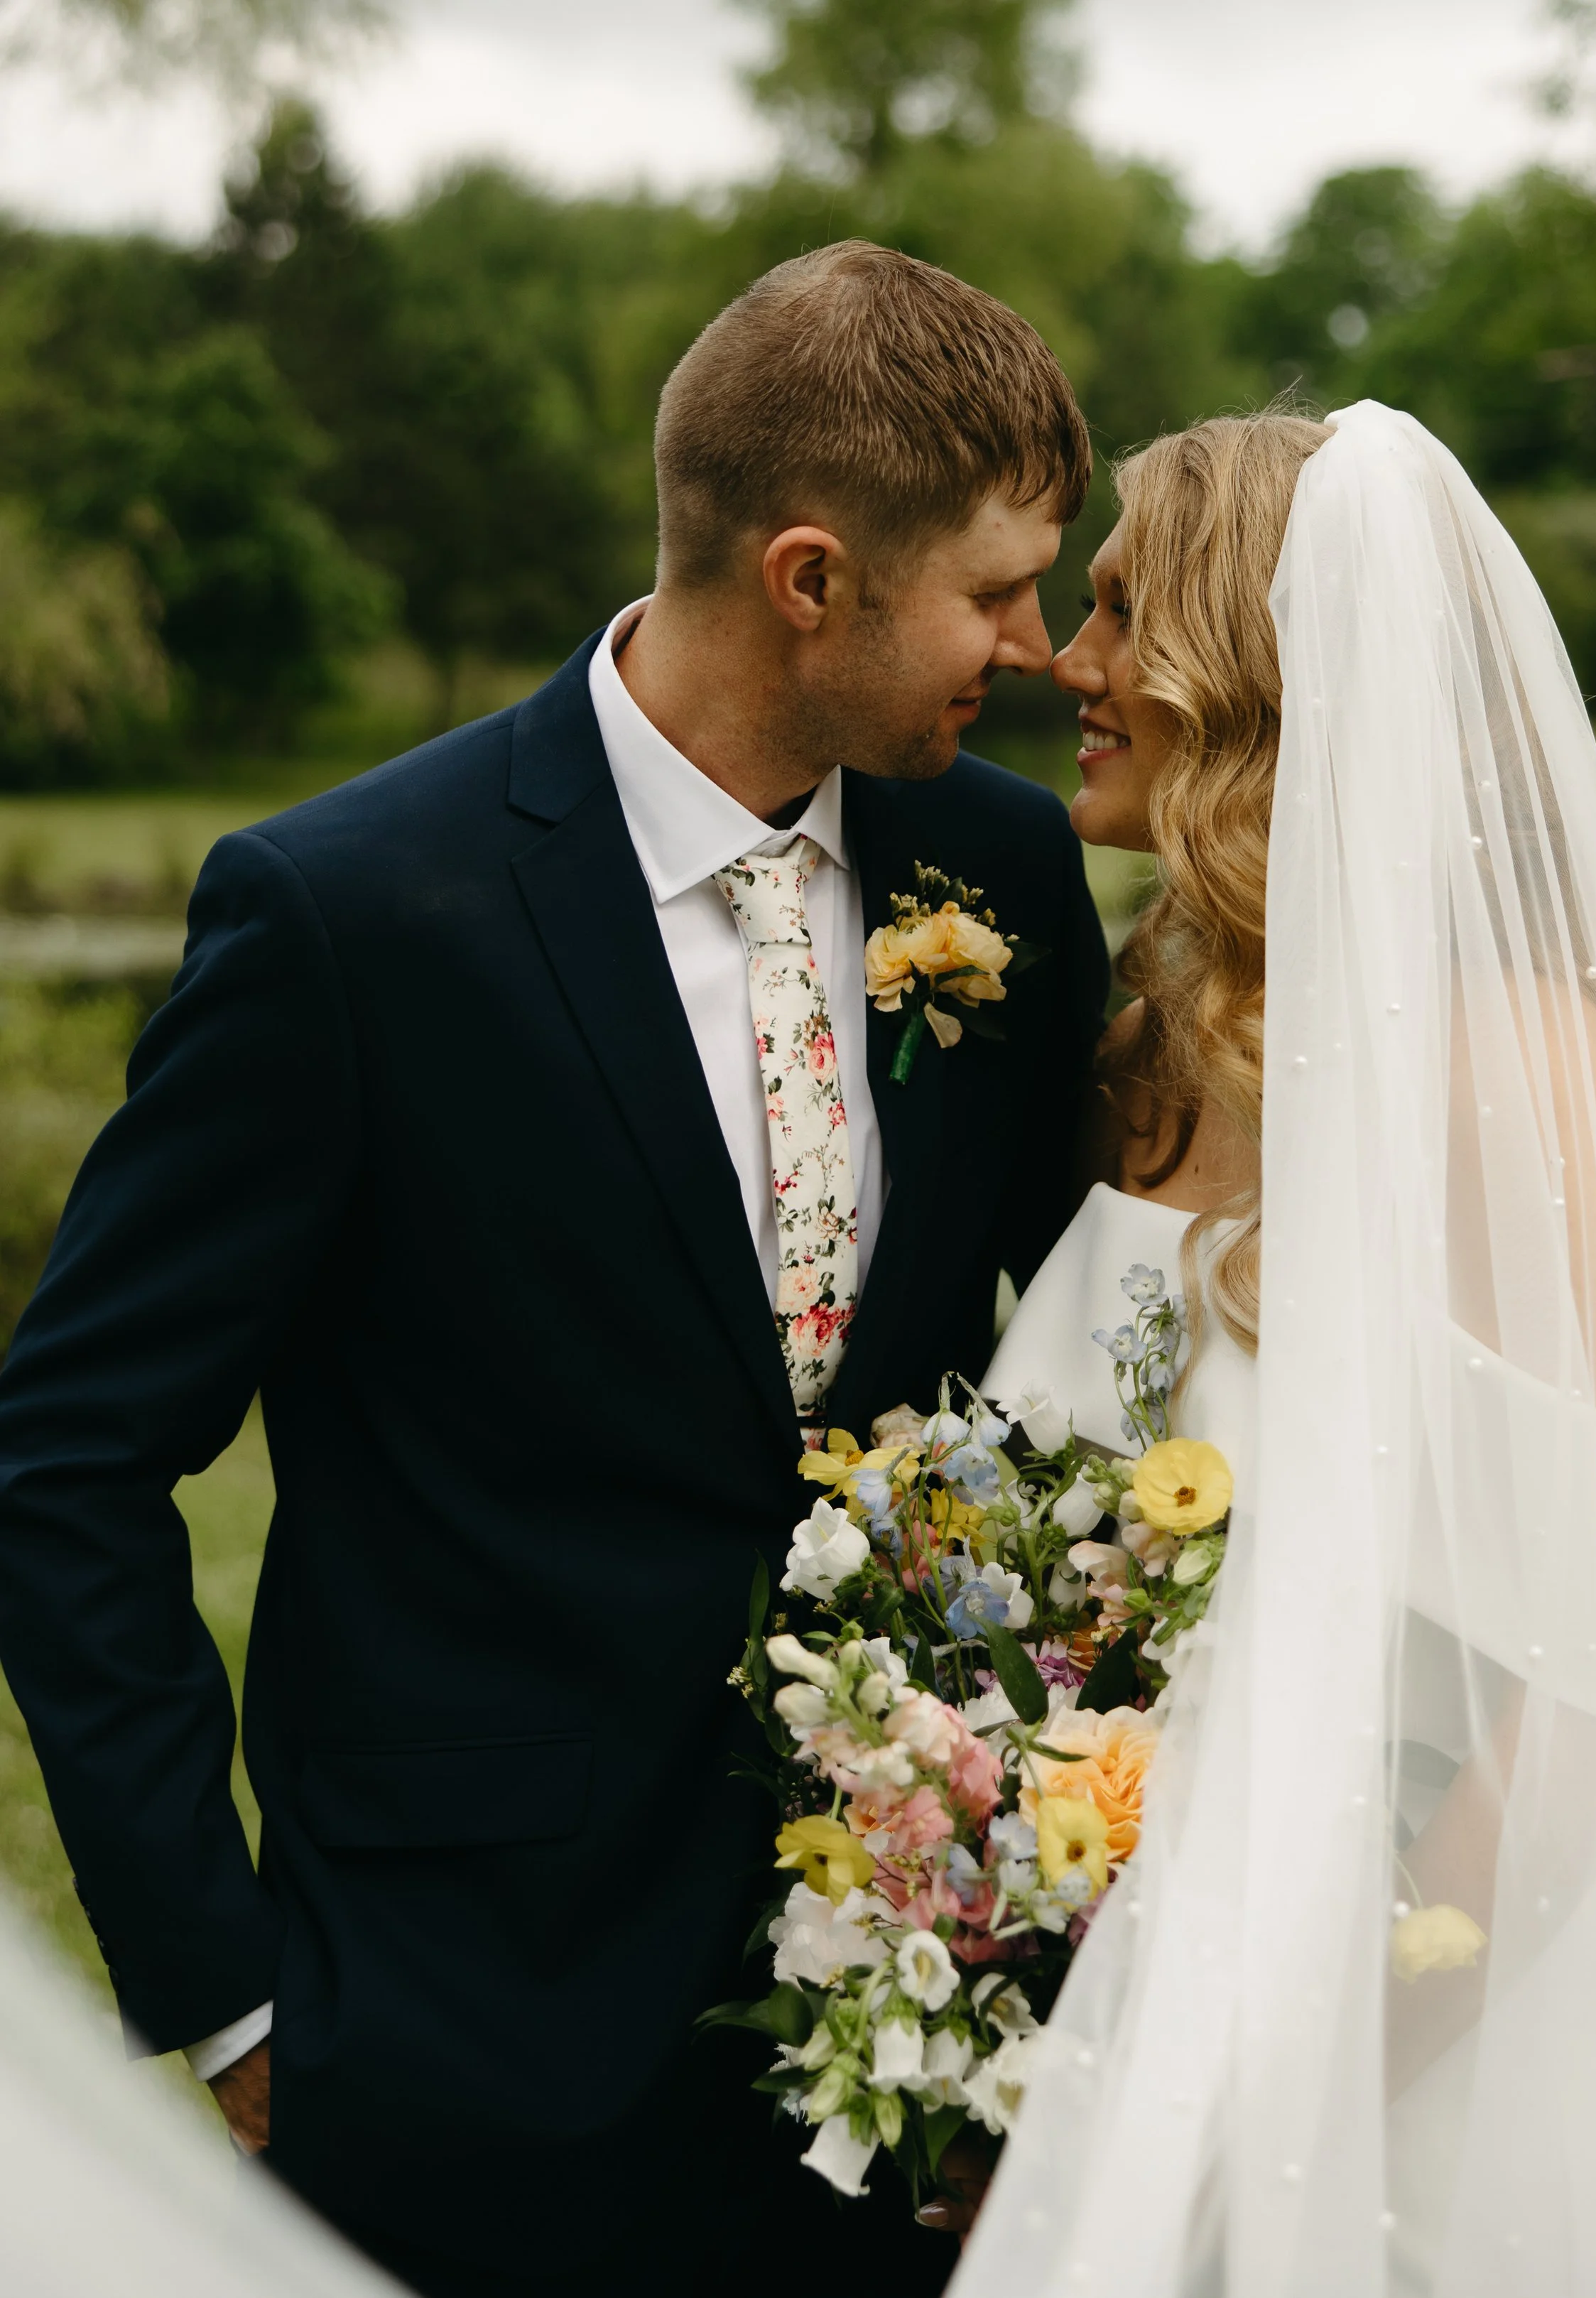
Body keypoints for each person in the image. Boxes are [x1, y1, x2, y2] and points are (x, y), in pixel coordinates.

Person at [0, 242, 1109, 2298]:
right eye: (996, 591)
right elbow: (66, 1456)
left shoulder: (1003, 869)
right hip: (452, 2030)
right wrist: (224, 1991)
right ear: (808, 577)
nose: (1036, 649)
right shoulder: (347, 916)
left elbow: (1079, 1379)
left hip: (905, 2044)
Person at [957, 403, 1596, 2294]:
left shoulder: (1523, 1079)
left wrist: (1270, 2111)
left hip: (1418, 2072)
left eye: (1116, 613)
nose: (1066, 665)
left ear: (1244, 671)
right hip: (1112, 2004)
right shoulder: (1155, 1050)